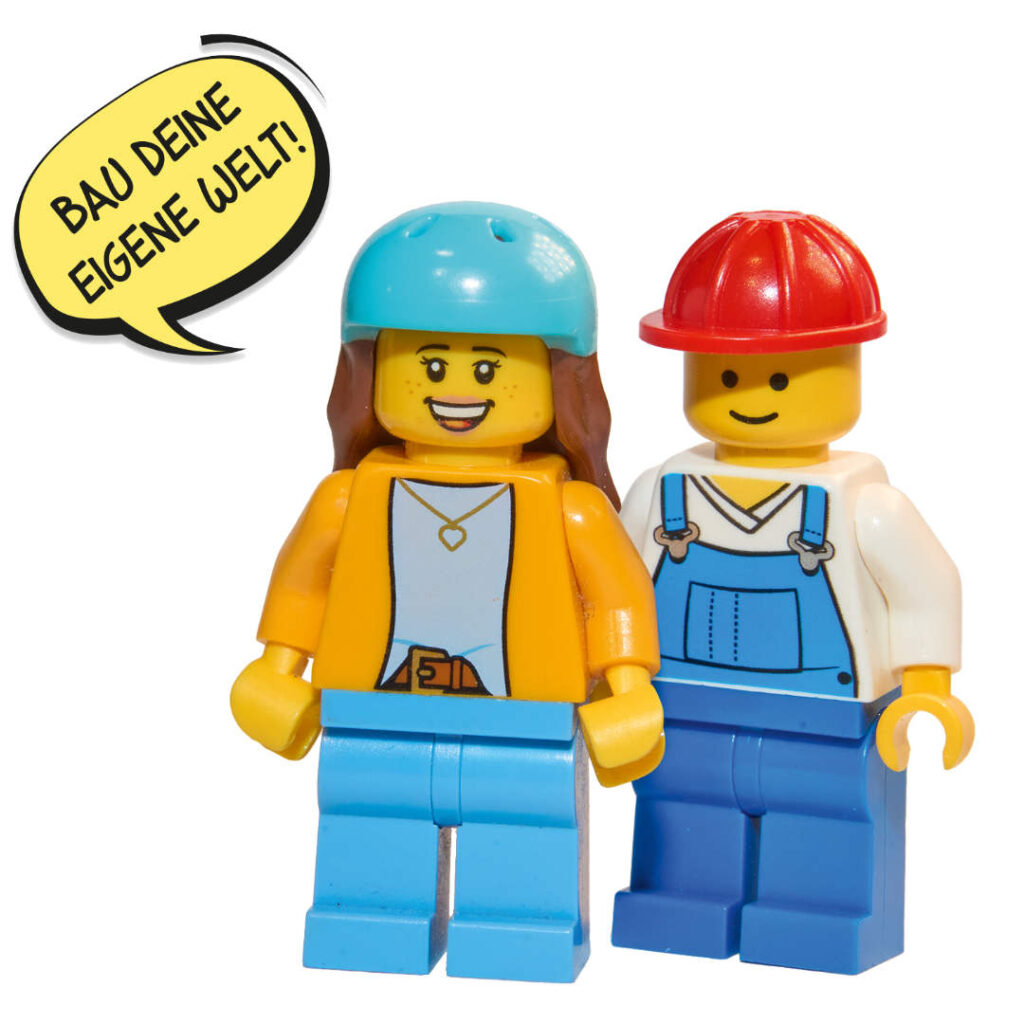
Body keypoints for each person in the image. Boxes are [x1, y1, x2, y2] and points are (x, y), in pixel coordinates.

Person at [230, 202, 663, 982]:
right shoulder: (347, 498)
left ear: (556, 378)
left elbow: (618, 597)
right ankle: (368, 922)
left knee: (524, 831)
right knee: (368, 824)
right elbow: (304, 582)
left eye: (488, 368)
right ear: (372, 372)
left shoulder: (569, 507)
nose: (458, 389)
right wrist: (277, 665)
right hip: (373, 713)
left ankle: (522, 931)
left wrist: (628, 685)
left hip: (524, 719)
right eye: (430, 366)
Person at [612, 210, 973, 974]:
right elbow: (617, 586)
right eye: (727, 374)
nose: (751, 394)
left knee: (828, 814)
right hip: (684, 709)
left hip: (826, 718)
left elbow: (924, 588)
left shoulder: (863, 504)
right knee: (680, 806)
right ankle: (681, 900)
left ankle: (821, 914)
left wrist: (926, 686)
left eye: (780, 377)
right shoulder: (662, 490)